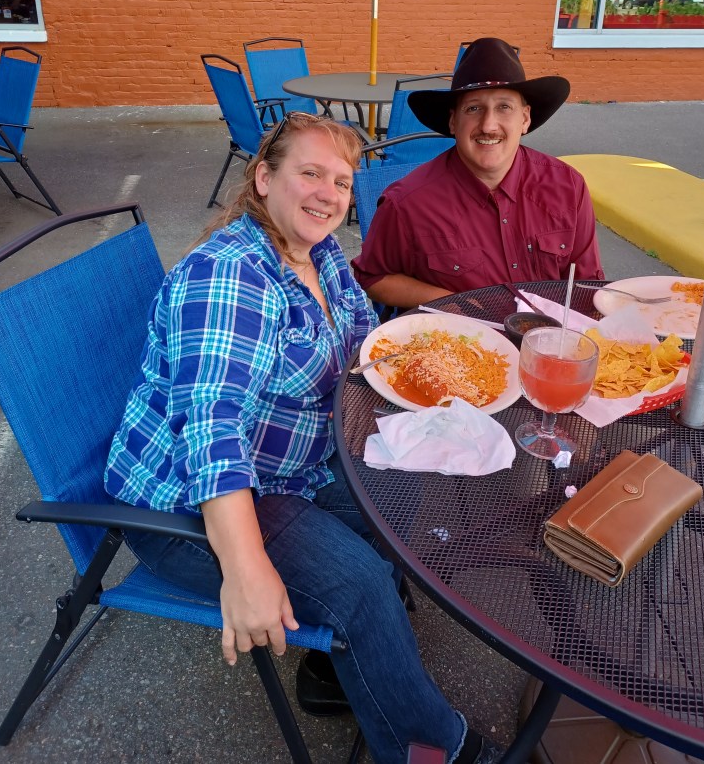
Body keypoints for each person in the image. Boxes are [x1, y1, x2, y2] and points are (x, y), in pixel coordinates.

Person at [104, 112, 500, 764]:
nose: (328, 194)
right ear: (264, 178)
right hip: (189, 506)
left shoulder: (320, 255)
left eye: (341, 182)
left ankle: (347, 660)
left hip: (291, 465)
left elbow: (364, 347)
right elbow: (212, 429)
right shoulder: (231, 276)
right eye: (310, 173)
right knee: (362, 583)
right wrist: (246, 569)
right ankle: (434, 748)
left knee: (408, 490)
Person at [352, 37, 604, 309]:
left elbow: (588, 283)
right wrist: (450, 302)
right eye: (473, 108)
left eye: (504, 107)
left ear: (525, 118)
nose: (488, 125)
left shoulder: (568, 186)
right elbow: (373, 277)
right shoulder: (407, 204)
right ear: (453, 121)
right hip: (458, 333)